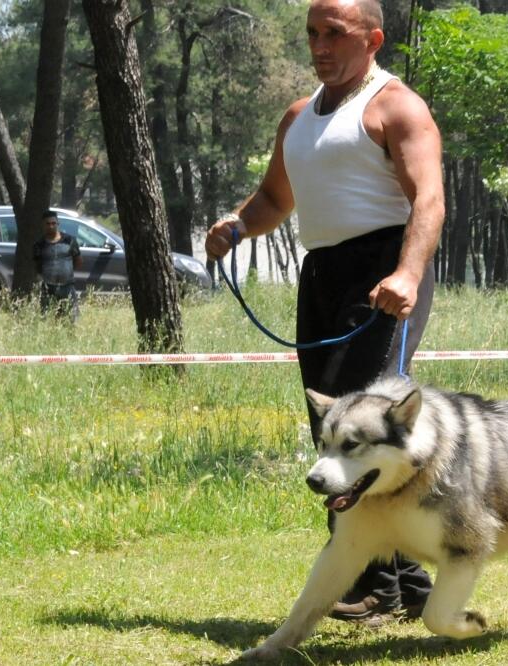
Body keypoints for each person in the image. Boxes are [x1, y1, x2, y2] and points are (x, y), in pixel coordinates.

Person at [205, 0, 445, 625]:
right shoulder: (298, 116)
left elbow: (429, 199)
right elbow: (272, 198)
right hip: (322, 275)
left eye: (334, 34)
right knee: (330, 421)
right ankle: (408, 584)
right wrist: (236, 226)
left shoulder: (398, 107)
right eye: (312, 33)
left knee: (362, 425)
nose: (319, 46)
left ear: (373, 39)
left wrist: (407, 273)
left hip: (384, 270)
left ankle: (377, 584)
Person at [33, 210, 83, 321]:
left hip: (67, 286)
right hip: (48, 288)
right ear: (43, 225)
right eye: (47, 224)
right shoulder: (39, 244)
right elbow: (37, 266)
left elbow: (79, 261)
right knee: (46, 319)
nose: (51, 226)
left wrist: (65, 271)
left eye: (53, 223)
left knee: (72, 320)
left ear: (58, 224)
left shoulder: (69, 241)